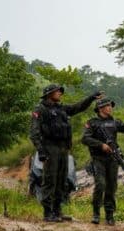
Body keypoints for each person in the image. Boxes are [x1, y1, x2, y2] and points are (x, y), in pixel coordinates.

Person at [30, 84, 102, 222]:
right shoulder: (40, 110)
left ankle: (57, 211)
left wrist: (91, 98)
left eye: (60, 91)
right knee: (50, 180)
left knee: (61, 180)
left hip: (63, 149)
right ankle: (47, 213)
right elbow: (34, 133)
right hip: (50, 148)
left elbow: (78, 107)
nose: (60, 93)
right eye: (57, 91)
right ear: (49, 94)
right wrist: (41, 151)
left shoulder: (61, 109)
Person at [81, 98, 124, 225]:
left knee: (112, 187)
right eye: (108, 106)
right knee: (100, 185)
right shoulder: (92, 123)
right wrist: (101, 145)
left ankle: (109, 215)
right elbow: (85, 139)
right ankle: (96, 213)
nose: (110, 108)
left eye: (110, 106)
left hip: (112, 159)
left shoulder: (114, 122)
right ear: (101, 109)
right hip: (98, 159)